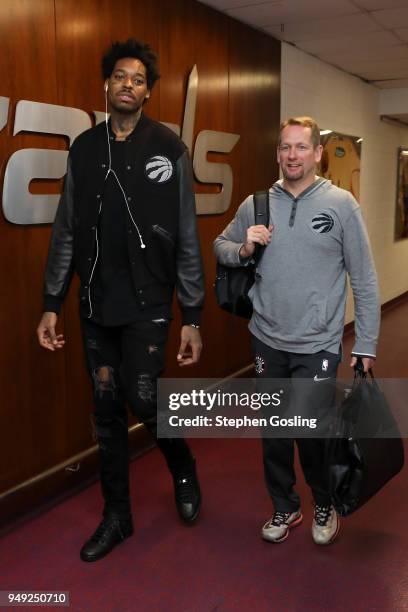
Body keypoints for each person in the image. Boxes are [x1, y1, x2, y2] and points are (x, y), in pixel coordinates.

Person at [37, 39, 205, 562]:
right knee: (106, 409)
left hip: (148, 304)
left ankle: (182, 467)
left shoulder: (169, 148)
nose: (127, 85)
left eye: (137, 79)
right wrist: (50, 301)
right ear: (105, 86)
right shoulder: (84, 150)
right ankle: (118, 517)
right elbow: (65, 230)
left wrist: (192, 316)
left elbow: (185, 234)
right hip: (94, 305)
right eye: (119, 77)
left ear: (147, 93)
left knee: (146, 398)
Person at [214, 116, 380, 545]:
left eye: (301, 147)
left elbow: (363, 278)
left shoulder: (342, 205)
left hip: (318, 342)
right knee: (273, 433)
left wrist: (366, 342)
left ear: (318, 153)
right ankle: (285, 507)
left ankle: (323, 502)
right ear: (278, 153)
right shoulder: (257, 203)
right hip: (267, 337)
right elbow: (221, 246)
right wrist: (244, 247)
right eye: (285, 147)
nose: (292, 155)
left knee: (308, 430)